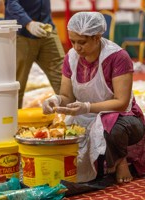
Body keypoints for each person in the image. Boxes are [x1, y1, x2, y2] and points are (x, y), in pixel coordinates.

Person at [42, 11, 145, 184]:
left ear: (97, 37)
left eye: (81, 42)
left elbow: (121, 103)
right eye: (73, 41)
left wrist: (87, 107)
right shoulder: (71, 57)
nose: (76, 47)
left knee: (113, 128)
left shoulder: (117, 57)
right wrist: (56, 100)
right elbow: (67, 96)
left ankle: (120, 161)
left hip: (119, 116)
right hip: (85, 115)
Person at [4, 0, 65, 108]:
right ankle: (12, 123)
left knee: (63, 78)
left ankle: (72, 120)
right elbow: (11, 3)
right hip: (21, 34)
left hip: (46, 29)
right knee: (16, 85)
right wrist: (28, 23)